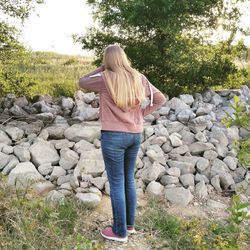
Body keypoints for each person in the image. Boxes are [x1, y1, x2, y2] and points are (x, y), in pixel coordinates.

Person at [78, 44, 166, 243]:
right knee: (128, 180)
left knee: (117, 183)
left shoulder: (104, 78)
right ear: (124, 58)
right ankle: (129, 225)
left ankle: (119, 232)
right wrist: (140, 115)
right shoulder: (139, 77)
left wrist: (100, 69)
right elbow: (160, 99)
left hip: (113, 137)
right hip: (134, 135)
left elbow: (81, 82)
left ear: (107, 61)